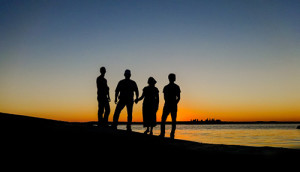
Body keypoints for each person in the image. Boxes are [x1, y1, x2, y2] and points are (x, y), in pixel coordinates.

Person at [159, 73, 181, 139]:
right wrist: (174, 103)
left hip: (170, 105)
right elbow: (178, 97)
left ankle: (169, 134)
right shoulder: (168, 87)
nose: (174, 78)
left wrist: (174, 103)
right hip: (169, 105)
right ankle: (166, 133)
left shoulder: (173, 87)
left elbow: (178, 97)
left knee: (169, 120)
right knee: (166, 120)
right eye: (174, 77)